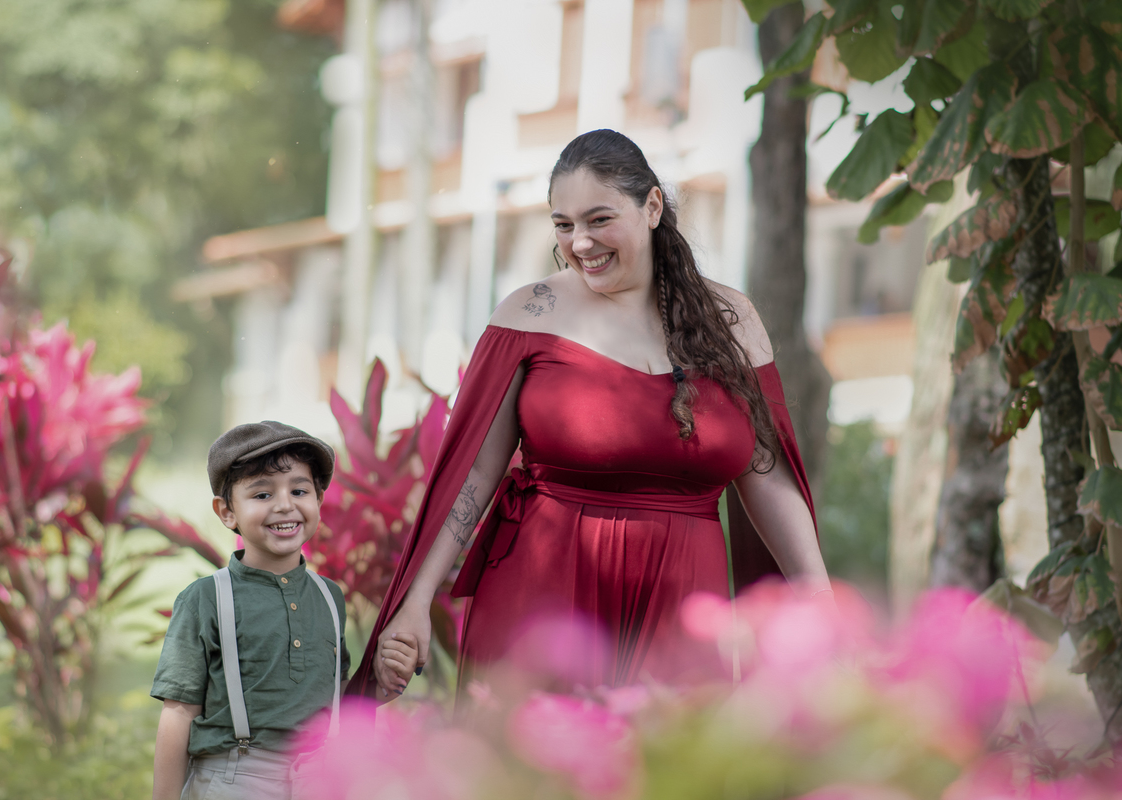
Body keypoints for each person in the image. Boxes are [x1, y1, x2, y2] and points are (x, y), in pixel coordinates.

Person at [347, 129, 830, 699]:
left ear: (652, 207)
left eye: (599, 220)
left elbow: (768, 475)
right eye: (563, 224)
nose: (579, 243)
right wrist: (416, 600)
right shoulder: (530, 315)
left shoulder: (733, 321)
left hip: (683, 603)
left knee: (675, 752)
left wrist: (821, 610)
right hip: (543, 596)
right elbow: (475, 472)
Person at [150, 421, 418, 800]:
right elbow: (178, 714)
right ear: (227, 512)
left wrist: (382, 684)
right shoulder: (205, 599)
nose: (284, 505)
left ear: (318, 500)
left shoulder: (329, 597)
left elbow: (334, 701)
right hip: (237, 779)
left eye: (299, 490)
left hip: (318, 778)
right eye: (262, 494)